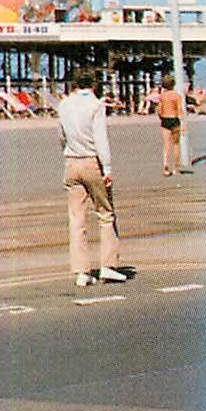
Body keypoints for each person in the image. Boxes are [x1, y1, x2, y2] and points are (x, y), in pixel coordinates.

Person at [58, 69, 125, 286]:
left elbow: (61, 136)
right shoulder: (96, 106)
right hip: (91, 161)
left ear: (74, 84)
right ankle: (108, 266)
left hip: (71, 162)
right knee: (105, 213)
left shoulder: (64, 104)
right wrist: (107, 167)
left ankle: (81, 271)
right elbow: (100, 138)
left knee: (77, 218)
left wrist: (68, 151)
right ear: (94, 85)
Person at [157, 74, 184, 177]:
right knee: (176, 144)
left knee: (166, 144)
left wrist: (161, 117)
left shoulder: (162, 96)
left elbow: (159, 110)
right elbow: (179, 110)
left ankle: (166, 166)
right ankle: (176, 168)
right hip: (174, 119)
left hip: (165, 119)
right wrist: (183, 124)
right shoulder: (177, 96)